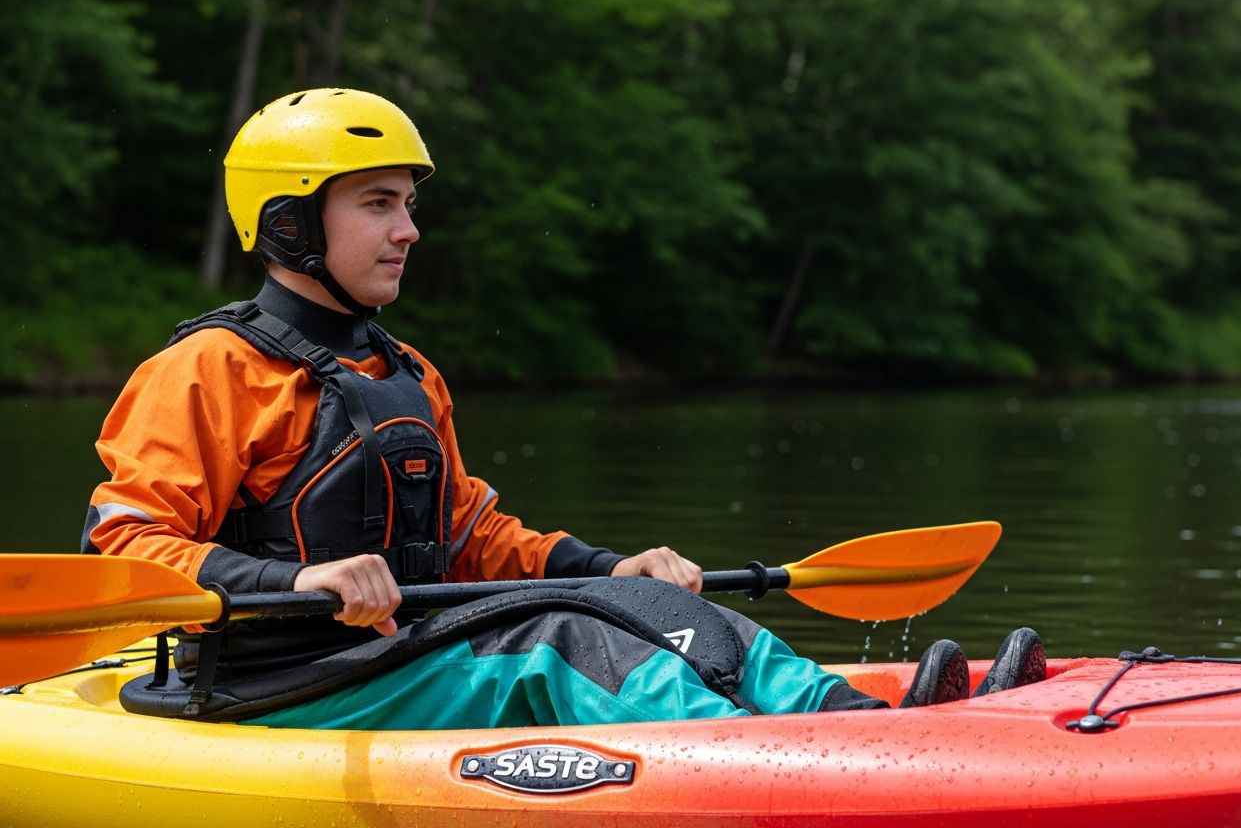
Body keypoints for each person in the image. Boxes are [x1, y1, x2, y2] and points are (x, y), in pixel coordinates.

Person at [81, 88, 1044, 728]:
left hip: (394, 653)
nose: (408, 229)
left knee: (638, 603)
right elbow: (122, 547)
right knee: (560, 644)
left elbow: (470, 535)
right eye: (376, 204)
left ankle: (846, 721)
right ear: (290, 221)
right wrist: (292, 580)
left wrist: (609, 567)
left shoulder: (405, 369)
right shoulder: (208, 368)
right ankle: (827, 769)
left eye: (409, 203)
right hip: (278, 681)